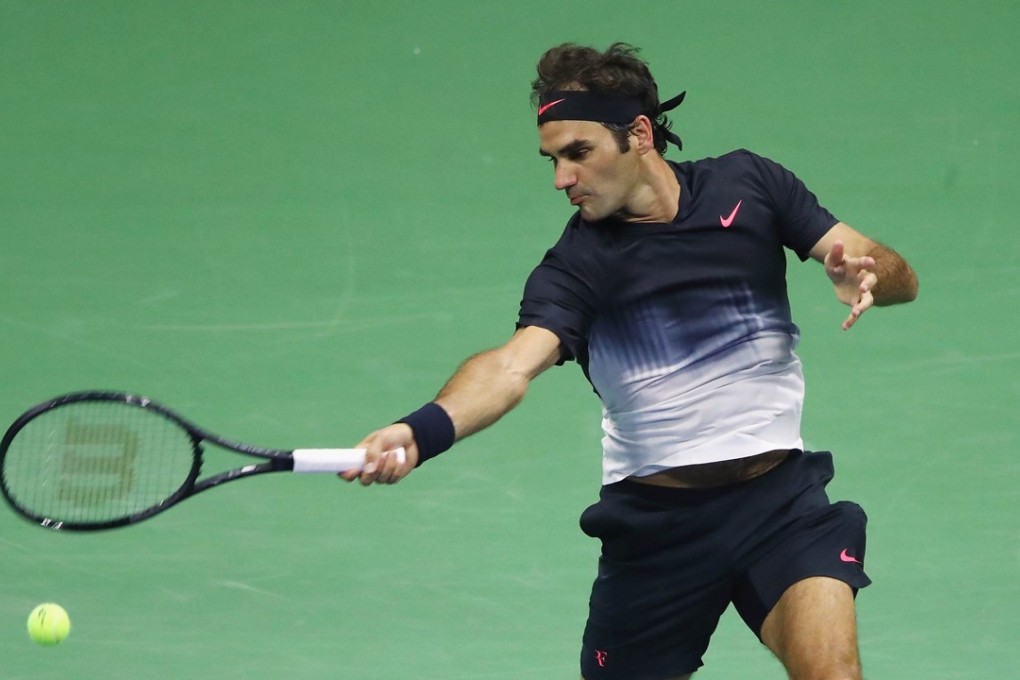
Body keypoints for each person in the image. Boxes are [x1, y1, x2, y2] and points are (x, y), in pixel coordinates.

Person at [345, 42, 919, 680]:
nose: (562, 179)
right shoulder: (577, 265)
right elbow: (510, 368)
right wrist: (422, 430)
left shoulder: (750, 185)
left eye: (578, 153)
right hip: (657, 533)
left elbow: (897, 275)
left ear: (639, 134)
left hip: (780, 507)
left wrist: (870, 276)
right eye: (553, 160)